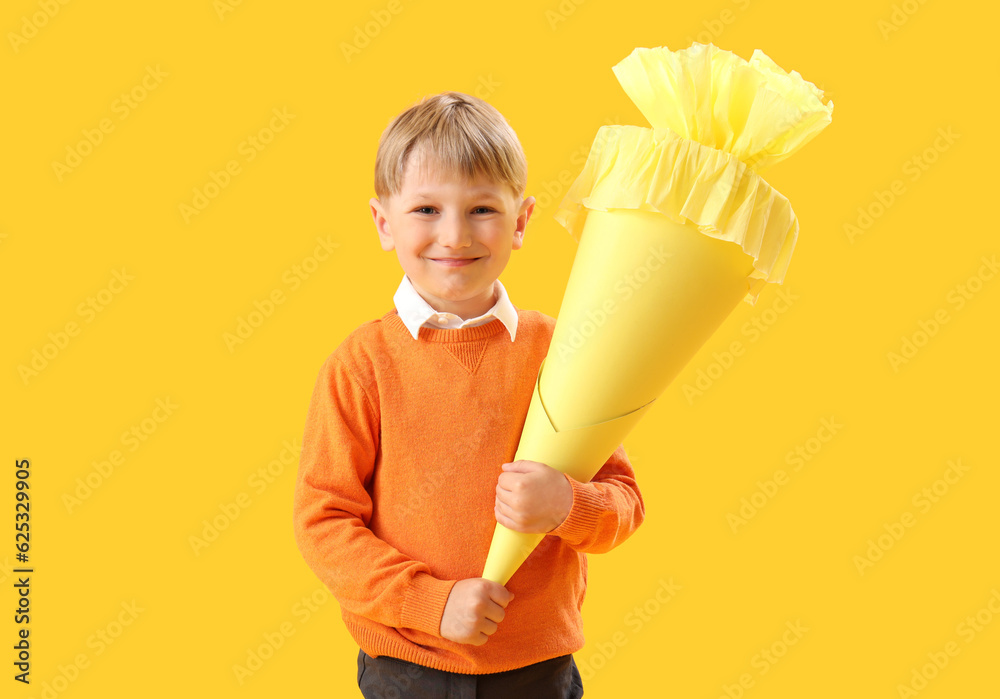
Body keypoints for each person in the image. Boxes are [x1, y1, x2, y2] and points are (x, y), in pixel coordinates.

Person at [292, 90, 645, 698]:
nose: (454, 235)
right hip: (407, 667)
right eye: (426, 209)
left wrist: (566, 504)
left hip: (538, 669)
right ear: (383, 223)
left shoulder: (560, 351)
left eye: (482, 209)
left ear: (522, 222)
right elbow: (324, 524)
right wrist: (432, 602)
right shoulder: (361, 365)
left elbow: (624, 504)